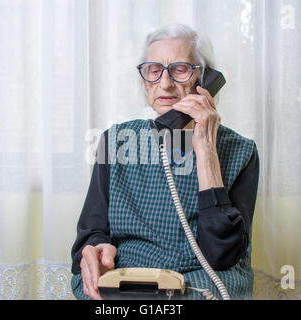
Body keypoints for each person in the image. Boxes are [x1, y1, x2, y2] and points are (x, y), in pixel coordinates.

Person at [70, 23, 259, 300]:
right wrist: (96, 247)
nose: (165, 83)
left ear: (205, 80)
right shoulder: (116, 140)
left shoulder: (240, 150)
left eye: (180, 69)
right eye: (153, 70)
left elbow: (222, 255)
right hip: (129, 276)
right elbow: (90, 232)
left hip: (199, 277)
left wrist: (206, 150)